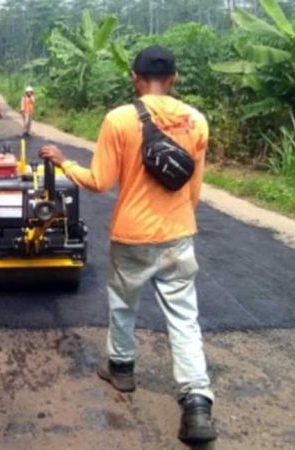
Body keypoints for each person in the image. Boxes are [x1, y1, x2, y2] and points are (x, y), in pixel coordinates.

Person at [39, 46, 217, 444]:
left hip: (132, 235)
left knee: (123, 305)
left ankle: (122, 370)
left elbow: (100, 181)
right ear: (175, 78)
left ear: (135, 78)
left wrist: (64, 161)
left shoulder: (119, 119)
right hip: (178, 234)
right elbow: (194, 190)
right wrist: (182, 223)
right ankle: (197, 404)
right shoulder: (197, 120)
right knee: (184, 318)